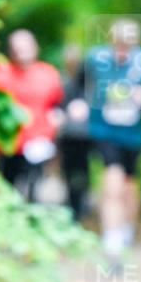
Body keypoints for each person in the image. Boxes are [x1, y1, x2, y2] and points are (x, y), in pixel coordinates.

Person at [85, 19, 141, 261]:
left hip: (133, 133)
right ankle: (111, 238)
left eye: (128, 45)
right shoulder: (95, 59)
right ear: (112, 41)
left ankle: (127, 230)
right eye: (119, 44)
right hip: (104, 130)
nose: (123, 50)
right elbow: (80, 85)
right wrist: (77, 104)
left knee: (129, 186)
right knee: (112, 180)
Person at [0, 29, 64, 202]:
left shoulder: (48, 74)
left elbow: (58, 104)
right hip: (7, 143)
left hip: (38, 142)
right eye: (18, 49)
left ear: (35, 48)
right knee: (6, 186)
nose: (22, 54)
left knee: (33, 189)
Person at [57, 44, 92, 221]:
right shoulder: (62, 83)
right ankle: (74, 204)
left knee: (82, 170)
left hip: (83, 136)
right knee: (70, 171)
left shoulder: (84, 83)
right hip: (67, 136)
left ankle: (81, 203)